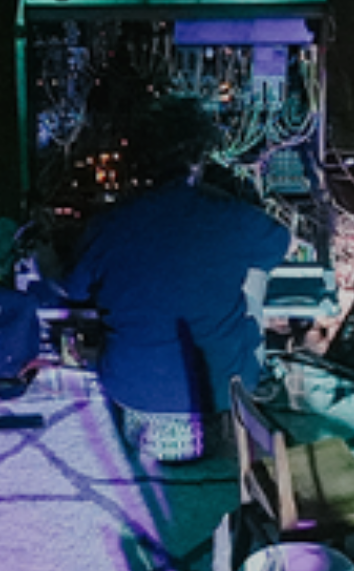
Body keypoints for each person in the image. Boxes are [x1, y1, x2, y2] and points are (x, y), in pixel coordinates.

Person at [60, 95, 293, 462]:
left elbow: (73, 291)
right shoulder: (230, 217)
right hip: (221, 395)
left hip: (133, 393)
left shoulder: (108, 225)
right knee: (254, 277)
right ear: (198, 159)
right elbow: (281, 242)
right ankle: (237, 403)